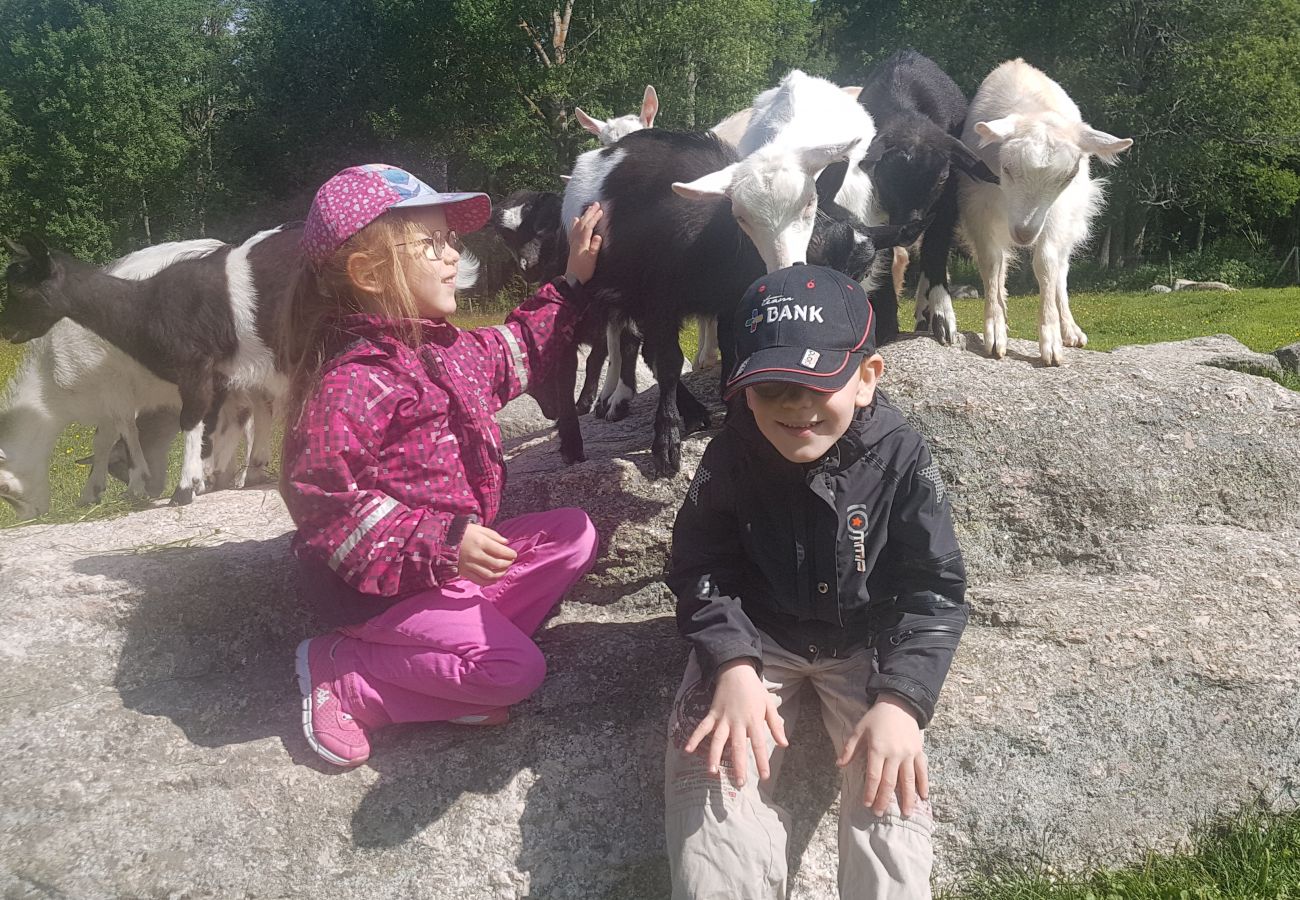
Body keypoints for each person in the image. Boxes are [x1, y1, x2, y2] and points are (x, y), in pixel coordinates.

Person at [278, 163, 603, 767]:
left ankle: (442, 667)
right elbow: (325, 503)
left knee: (573, 536)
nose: (455, 250)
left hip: (442, 564)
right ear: (369, 272)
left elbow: (518, 348)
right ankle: (344, 672)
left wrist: (573, 282)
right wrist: (444, 544)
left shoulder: (445, 349)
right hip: (379, 589)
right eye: (432, 241)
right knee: (515, 672)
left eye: (451, 238)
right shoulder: (353, 382)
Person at [664, 264, 968, 899]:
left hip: (866, 645)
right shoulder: (730, 455)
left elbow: (933, 586)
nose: (794, 404)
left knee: (891, 789)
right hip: (756, 637)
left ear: (866, 379)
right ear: (740, 388)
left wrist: (902, 700)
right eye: (771, 385)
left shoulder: (901, 455)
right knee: (712, 770)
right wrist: (731, 663)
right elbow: (699, 564)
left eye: (816, 382)